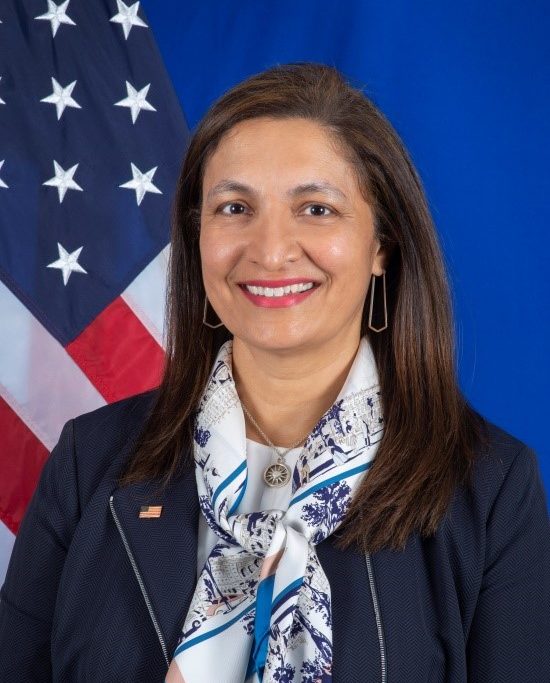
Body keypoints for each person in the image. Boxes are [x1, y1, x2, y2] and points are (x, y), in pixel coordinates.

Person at [1, 62, 549, 682]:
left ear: (381, 245)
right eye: (234, 207)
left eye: (316, 208)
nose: (269, 250)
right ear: (197, 237)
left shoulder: (490, 492)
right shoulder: (89, 464)